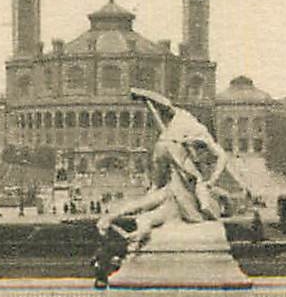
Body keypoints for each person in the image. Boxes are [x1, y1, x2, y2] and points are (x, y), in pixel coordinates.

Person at [96, 89, 233, 253]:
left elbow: (164, 104)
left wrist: (144, 95)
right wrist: (213, 180)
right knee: (197, 180)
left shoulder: (183, 117)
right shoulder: (202, 134)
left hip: (163, 144)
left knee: (153, 197)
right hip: (175, 147)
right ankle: (202, 204)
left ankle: (125, 226)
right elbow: (222, 157)